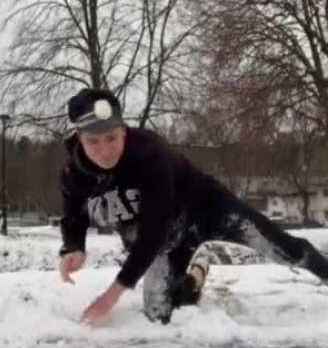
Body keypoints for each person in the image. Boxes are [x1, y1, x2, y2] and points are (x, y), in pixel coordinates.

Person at [58, 88, 328, 325]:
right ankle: (197, 273)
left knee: (280, 248)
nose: (104, 151)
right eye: (93, 142)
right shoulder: (75, 174)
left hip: (207, 209)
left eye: (112, 139)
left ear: (124, 131)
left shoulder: (150, 153)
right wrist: (74, 247)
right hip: (168, 240)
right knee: (159, 315)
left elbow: (153, 229)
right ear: (79, 138)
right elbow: (73, 216)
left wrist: (111, 295)